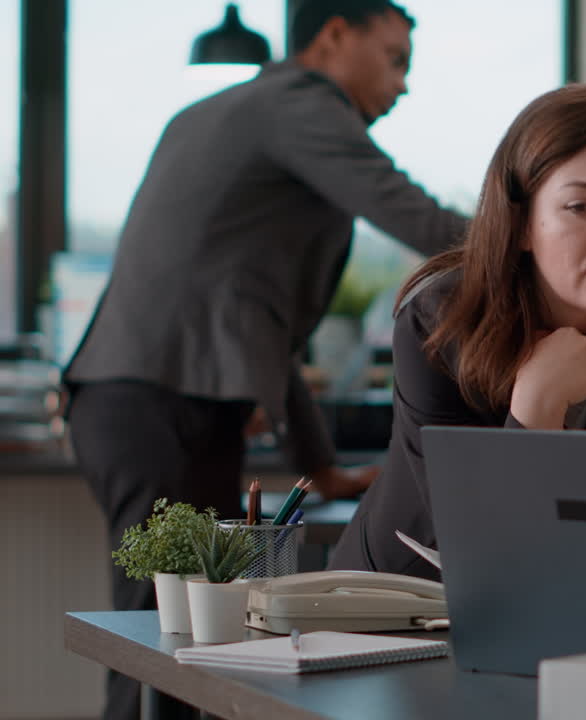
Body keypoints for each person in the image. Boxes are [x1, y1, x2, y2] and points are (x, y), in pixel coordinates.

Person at [62, 2, 465, 718]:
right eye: (395, 58)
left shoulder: (238, 111)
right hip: (155, 404)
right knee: (163, 651)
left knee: (197, 647)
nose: (402, 85)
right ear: (335, 35)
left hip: (151, 402)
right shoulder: (299, 106)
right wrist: (552, 239)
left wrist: (321, 465)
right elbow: (420, 220)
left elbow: (258, 323)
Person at [328, 83, 586, 579]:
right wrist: (534, 411)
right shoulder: (442, 320)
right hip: (394, 612)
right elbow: (483, 546)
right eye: (582, 206)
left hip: (582, 611)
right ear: (521, 224)